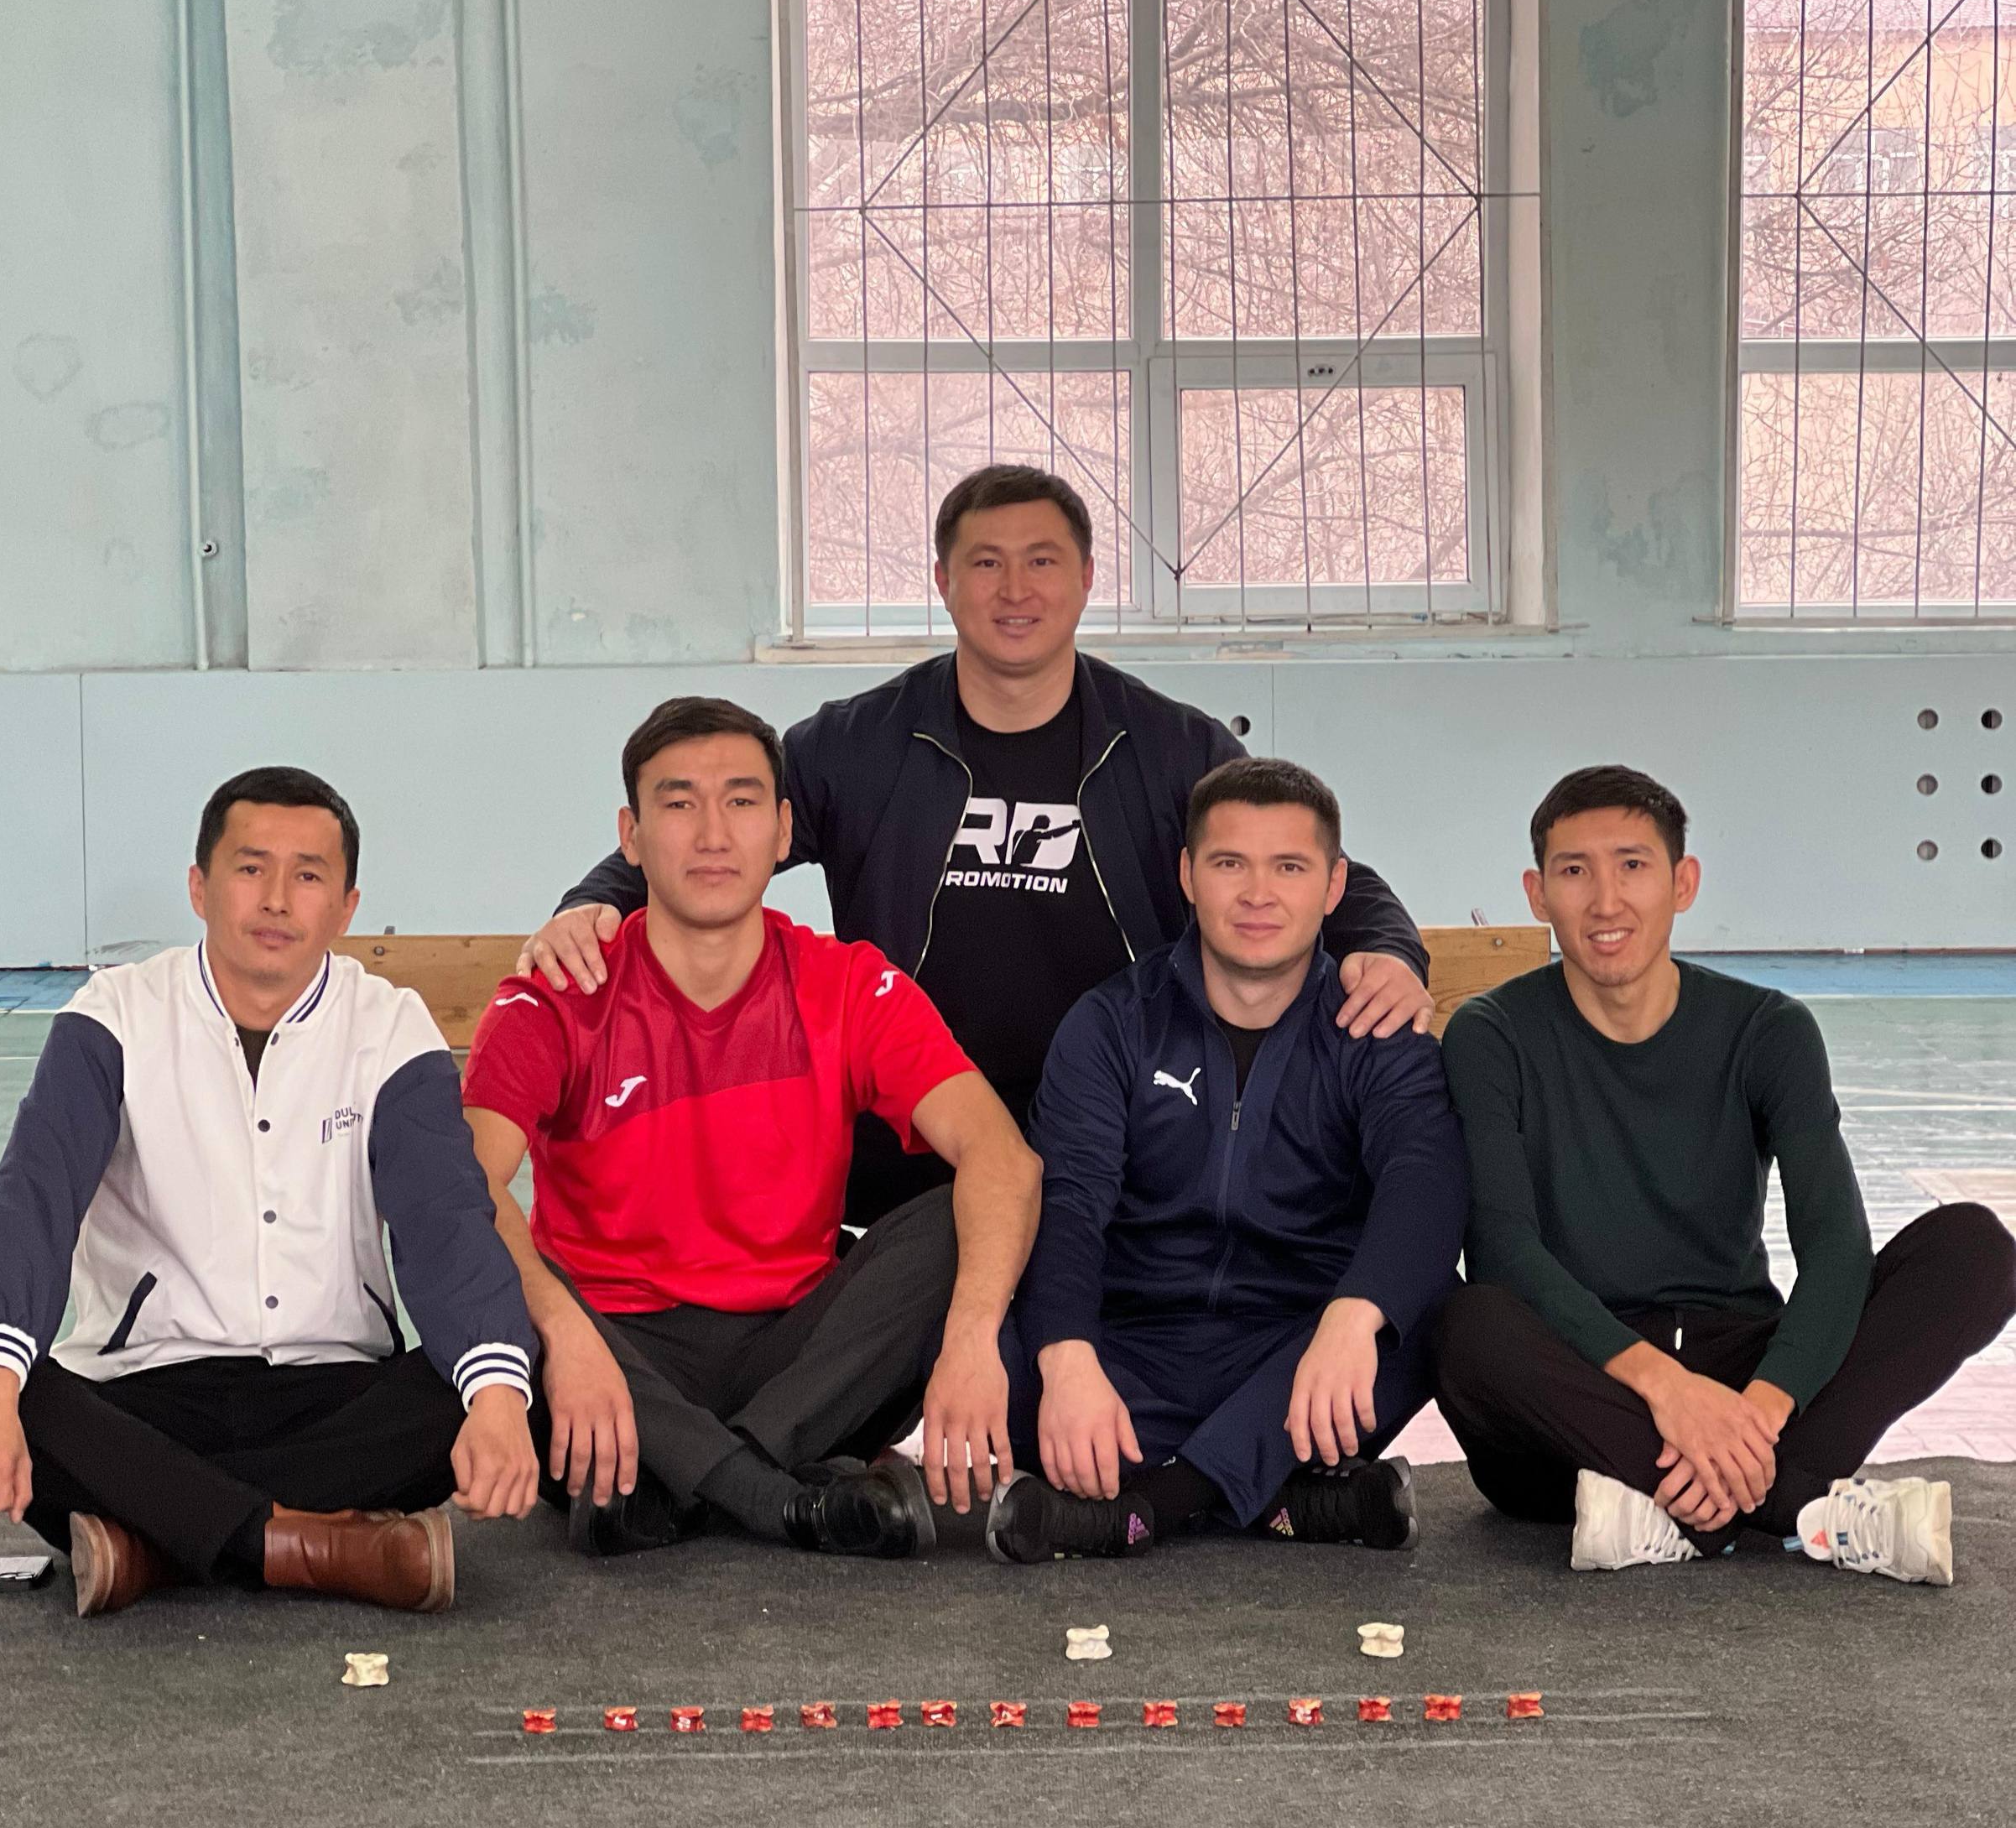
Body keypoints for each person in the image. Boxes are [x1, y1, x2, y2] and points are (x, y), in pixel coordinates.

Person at [517, 464, 1435, 1250]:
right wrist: (592, 902)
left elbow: (1314, 867)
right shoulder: (857, 744)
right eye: (986, 563)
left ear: (1085, 580)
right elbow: (718, 822)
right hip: (908, 1128)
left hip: (1124, 1121)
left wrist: (1389, 951)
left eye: (1042, 561)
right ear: (943, 582)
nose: (1015, 590)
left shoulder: (1170, 749)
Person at [0, 768, 540, 1617]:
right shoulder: (114, 1016)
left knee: (499, 1376)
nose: (277, 899)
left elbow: (446, 1224)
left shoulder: (388, 1027)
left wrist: (499, 1399)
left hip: (334, 1393)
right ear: (199, 887)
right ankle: (314, 1544)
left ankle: (158, 1539)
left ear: (347, 907)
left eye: (309, 875)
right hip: (146, 1389)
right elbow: (34, 1199)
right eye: (252, 868)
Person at [461, 696, 1042, 1558]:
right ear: (630, 836)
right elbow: (465, 1189)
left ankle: (677, 1481)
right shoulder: (557, 993)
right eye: (679, 802)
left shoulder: (848, 984)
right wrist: (565, 1335)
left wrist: (970, 1341)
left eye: (740, 801)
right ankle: (774, 1497)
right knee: (492, 1269)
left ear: (782, 831)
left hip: (795, 1352)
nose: (711, 833)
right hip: (614, 1349)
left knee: (964, 1218)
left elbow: (1003, 1156)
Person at [1436, 764, 2016, 1585]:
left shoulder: (1766, 1030)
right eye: (1575, 871)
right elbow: (1502, 1248)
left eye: (1633, 865)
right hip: (1575, 1392)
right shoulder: (1491, 1034)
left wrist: (1761, 1407)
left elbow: (1836, 1248)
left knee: (1976, 1249)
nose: (1606, 900)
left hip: (1740, 1367)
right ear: (1538, 895)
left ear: (1683, 882)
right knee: (1465, 1321)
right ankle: (1799, 1507)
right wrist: (1667, 1392)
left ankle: (1681, 1508)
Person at [985, 758, 1467, 1563]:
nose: (1257, 894)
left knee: (1430, 1310)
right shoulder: (1111, 1024)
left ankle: (1150, 1508)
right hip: (1131, 1348)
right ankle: (1283, 1498)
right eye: (1230, 864)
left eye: (1290, 867)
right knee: (989, 1341)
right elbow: (1068, 1203)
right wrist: (1067, 1358)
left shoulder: (1376, 1031)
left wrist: (1354, 1317)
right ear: (1188, 875)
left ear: (1335, 885)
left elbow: (1426, 1179)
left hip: (1299, 1356)